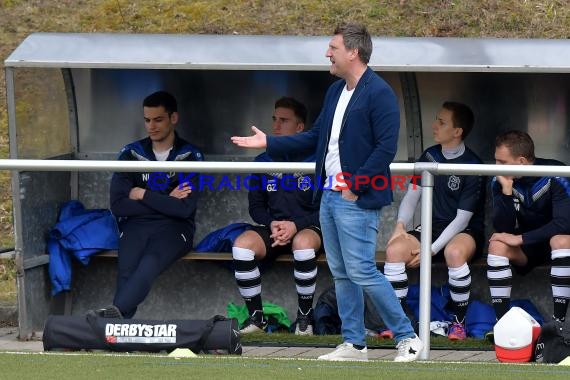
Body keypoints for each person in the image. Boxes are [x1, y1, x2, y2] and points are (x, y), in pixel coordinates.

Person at [232, 23, 423, 362]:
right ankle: (354, 344)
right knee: (342, 273)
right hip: (330, 198)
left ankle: (407, 337)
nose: (327, 54)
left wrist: (355, 184)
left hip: (356, 198)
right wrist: (269, 142)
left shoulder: (379, 92)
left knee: (362, 270)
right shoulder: (336, 91)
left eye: (333, 47)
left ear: (353, 52)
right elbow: (313, 138)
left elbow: (385, 148)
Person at [89, 90, 204, 319]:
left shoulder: (190, 155)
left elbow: (184, 209)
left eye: (158, 119)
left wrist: (143, 193)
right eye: (147, 120)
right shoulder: (131, 153)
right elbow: (119, 205)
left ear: (173, 118)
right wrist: (167, 199)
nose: (151, 126)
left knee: (149, 263)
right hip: (136, 225)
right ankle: (117, 329)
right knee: (127, 270)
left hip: (176, 228)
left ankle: (110, 320)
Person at [384, 102, 485, 341]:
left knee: (454, 253)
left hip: (464, 232)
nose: (434, 125)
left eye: (441, 122)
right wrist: (399, 225)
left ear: (457, 131)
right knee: (394, 249)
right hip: (431, 228)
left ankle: (458, 323)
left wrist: (431, 250)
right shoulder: (429, 155)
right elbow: (412, 195)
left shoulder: (472, 164)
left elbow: (462, 220)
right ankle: (397, 322)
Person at [233, 97, 322, 336]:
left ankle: (305, 319)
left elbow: (326, 209)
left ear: (300, 127)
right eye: (274, 119)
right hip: (274, 230)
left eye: (284, 120)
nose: (276, 125)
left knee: (303, 244)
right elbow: (256, 207)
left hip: (309, 227)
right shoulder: (263, 161)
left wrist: (296, 225)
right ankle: (256, 318)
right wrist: (272, 223)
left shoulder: (317, 160)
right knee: (242, 246)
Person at [488, 130, 570, 323]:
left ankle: (558, 324)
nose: (496, 167)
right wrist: (506, 193)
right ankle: (502, 323)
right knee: (497, 245)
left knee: (561, 240)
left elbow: (564, 223)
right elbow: (502, 227)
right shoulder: (500, 180)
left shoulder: (556, 174)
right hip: (529, 246)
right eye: (495, 161)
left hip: (557, 242)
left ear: (522, 161)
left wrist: (520, 239)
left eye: (502, 162)